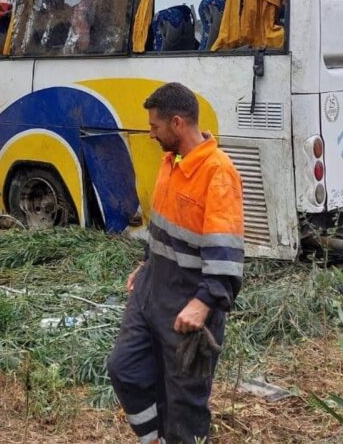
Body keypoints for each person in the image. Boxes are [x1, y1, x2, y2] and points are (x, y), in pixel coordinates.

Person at [107, 82, 244, 444]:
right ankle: (154, 438)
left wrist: (204, 303)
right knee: (125, 368)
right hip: (153, 291)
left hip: (189, 303)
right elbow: (165, 228)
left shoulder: (218, 173)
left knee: (183, 402)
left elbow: (227, 252)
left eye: (155, 127)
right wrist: (147, 262)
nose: (151, 134)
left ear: (178, 123)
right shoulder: (172, 162)